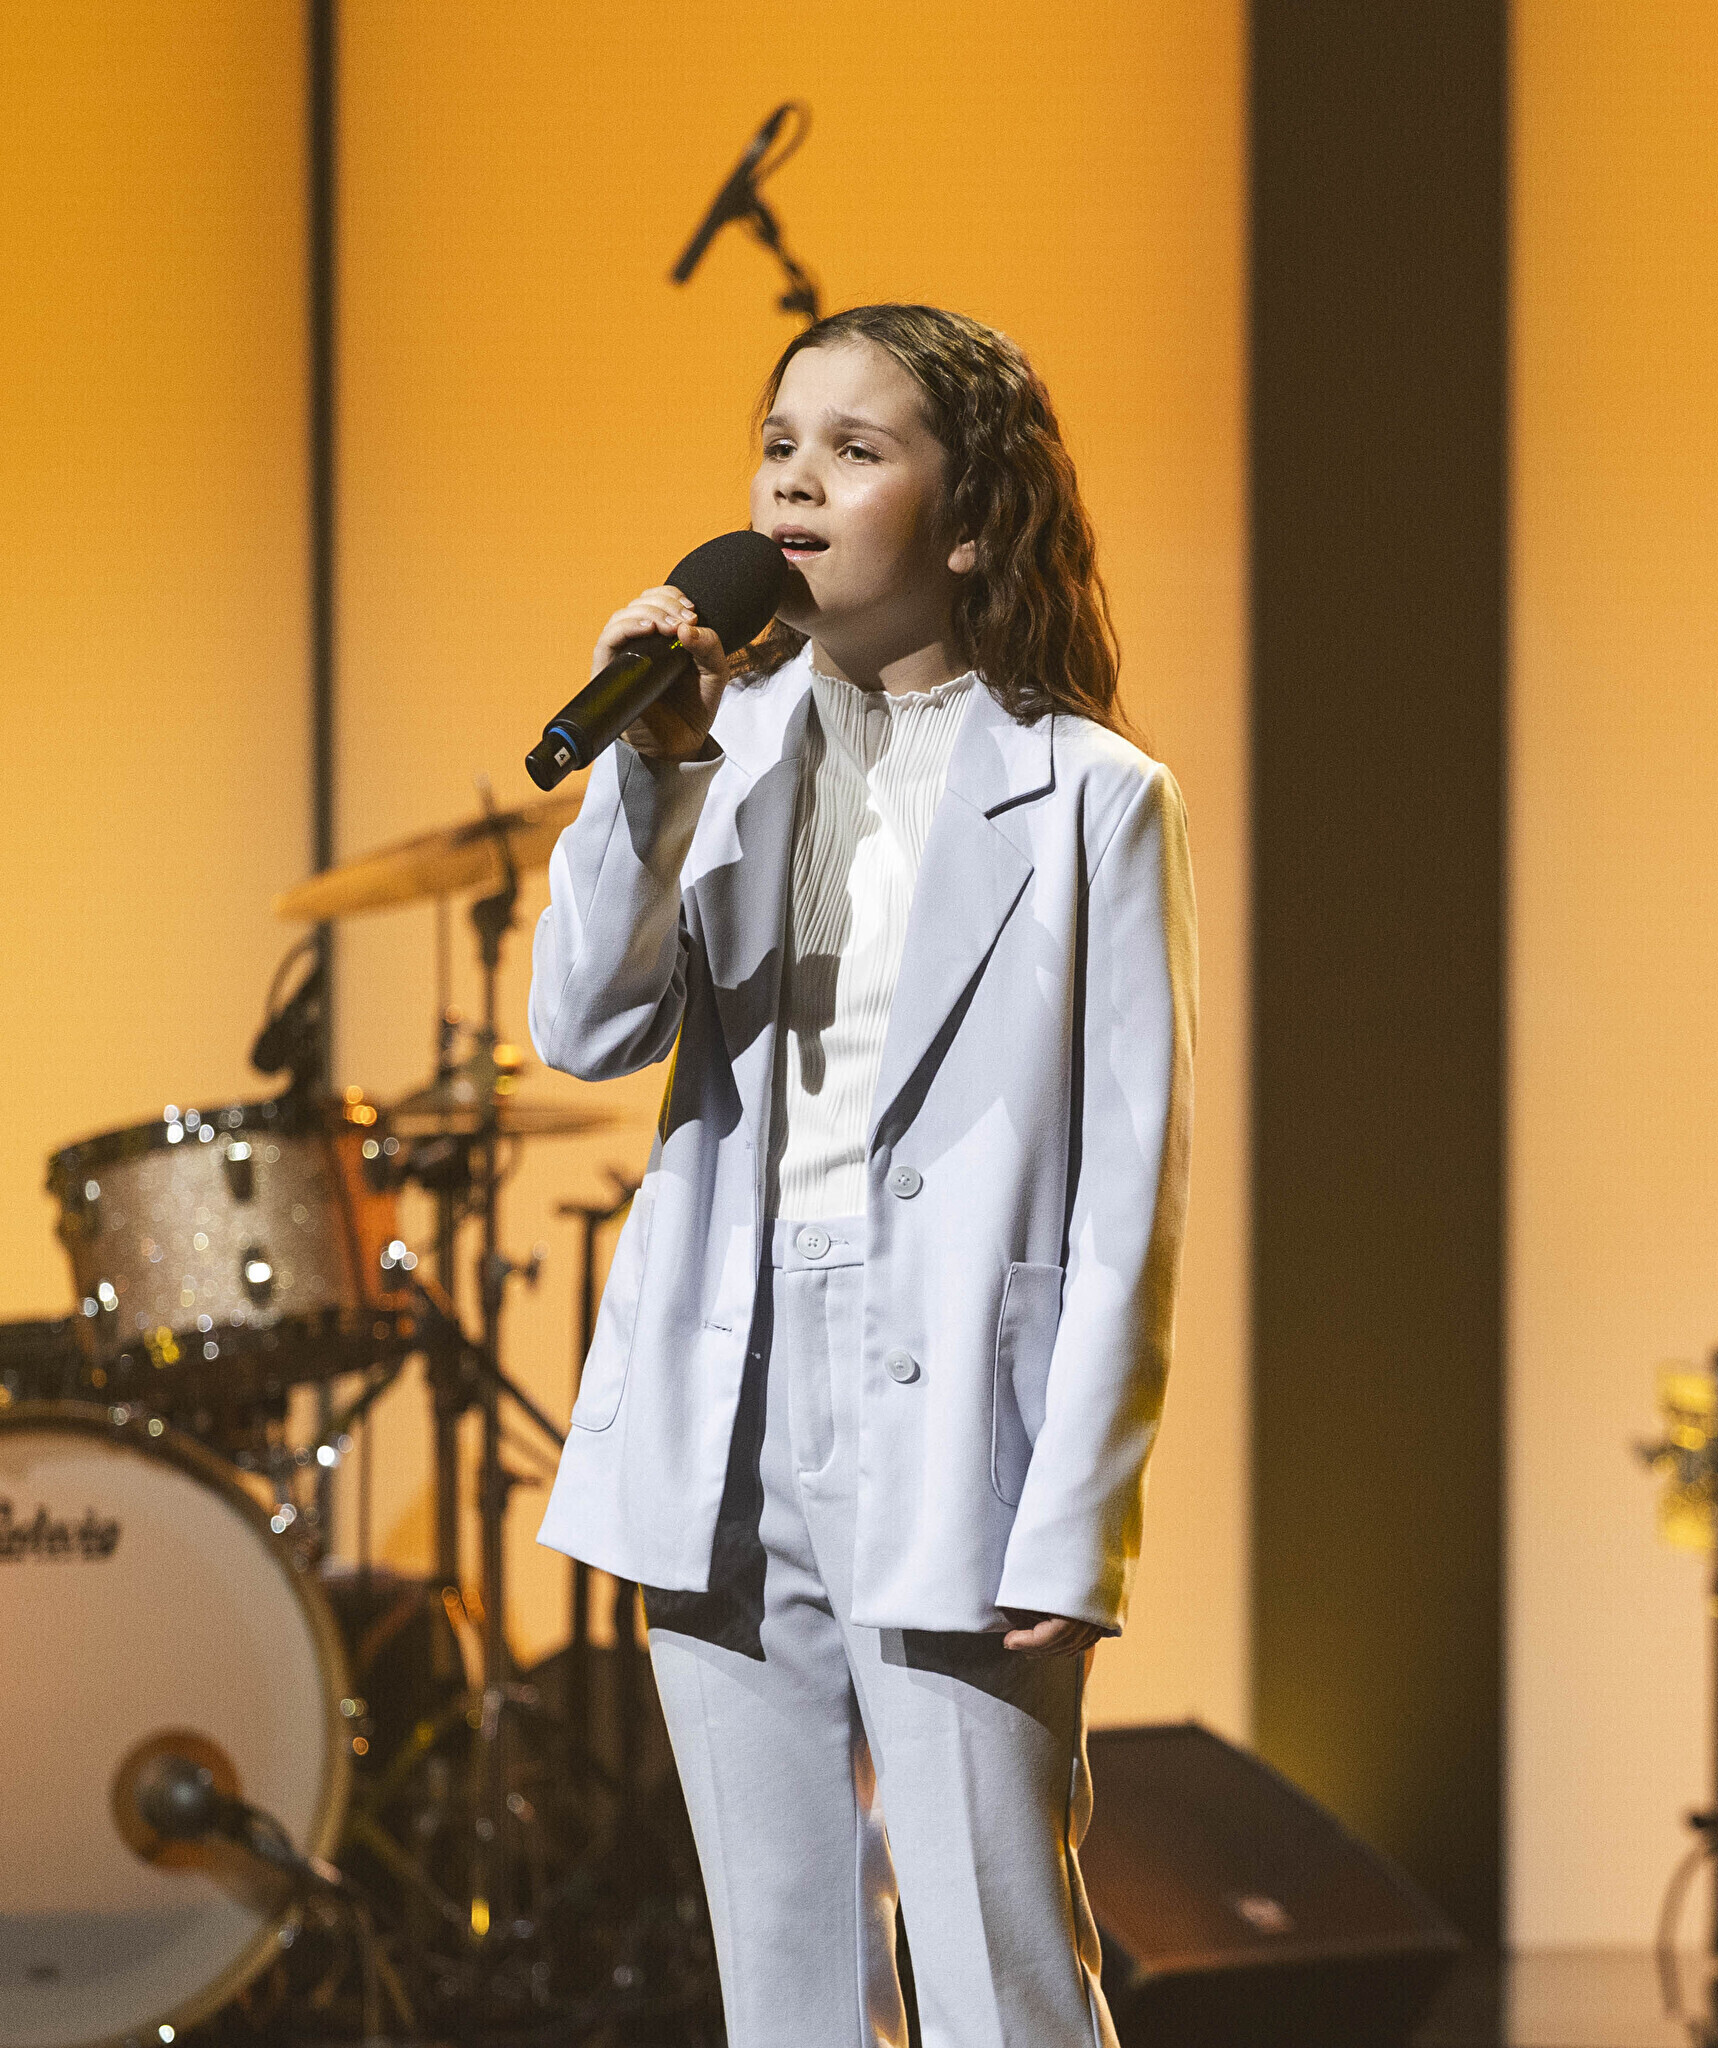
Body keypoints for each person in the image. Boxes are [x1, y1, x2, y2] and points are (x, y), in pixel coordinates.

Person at [529, 301, 1196, 2048]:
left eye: (855, 448)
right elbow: (585, 1028)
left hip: (956, 1411)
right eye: (778, 445)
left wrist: (1079, 1514)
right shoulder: (715, 748)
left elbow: (1131, 1193)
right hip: (726, 1396)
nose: (795, 484)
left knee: (999, 1972)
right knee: (785, 1984)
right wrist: (648, 773)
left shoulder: (1093, 798)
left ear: (969, 523)